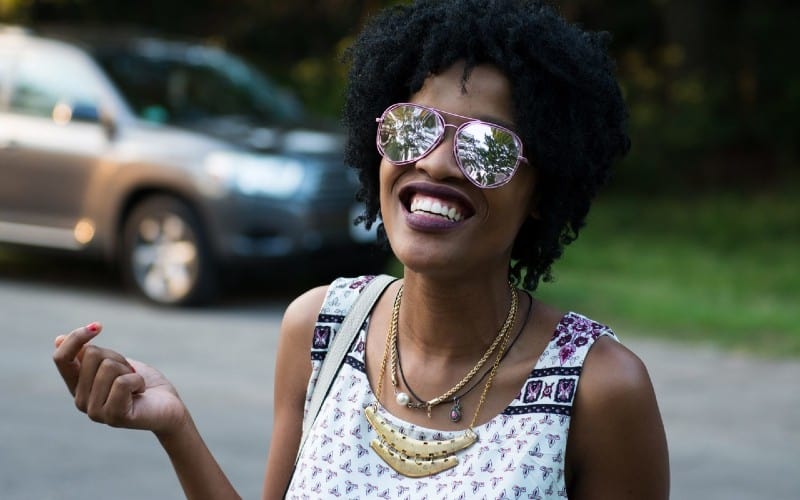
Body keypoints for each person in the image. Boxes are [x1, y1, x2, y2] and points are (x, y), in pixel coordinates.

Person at [52, 1, 670, 498]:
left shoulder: (599, 390)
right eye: (413, 127)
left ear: (544, 189)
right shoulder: (321, 328)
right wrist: (175, 428)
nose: (433, 162)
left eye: (486, 147)